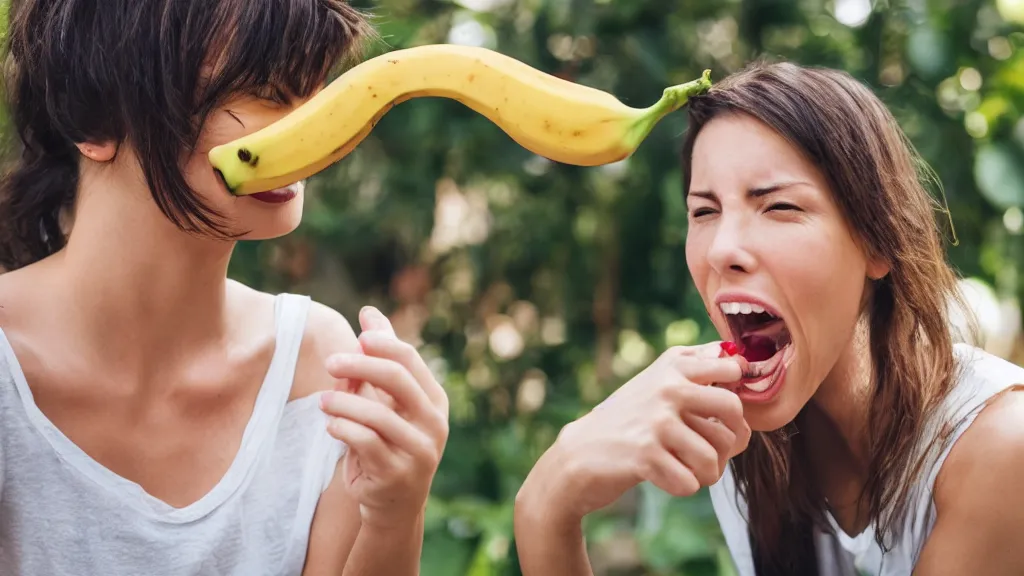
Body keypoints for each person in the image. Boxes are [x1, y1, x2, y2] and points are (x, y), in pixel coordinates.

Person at [513, 60, 1024, 575]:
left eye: (778, 207)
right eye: (704, 212)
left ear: (876, 242)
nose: (722, 250)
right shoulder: (745, 456)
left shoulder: (1003, 449)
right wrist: (548, 501)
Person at [0, 1, 449, 575]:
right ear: (96, 121)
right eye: (264, 89)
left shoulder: (320, 370)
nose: (311, 127)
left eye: (313, 90)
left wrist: (394, 514)